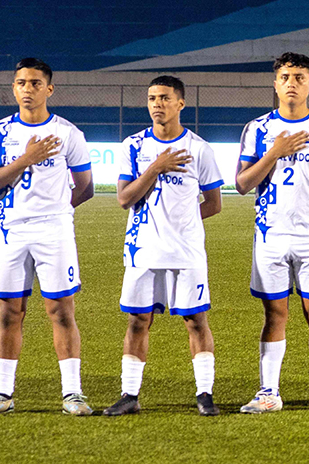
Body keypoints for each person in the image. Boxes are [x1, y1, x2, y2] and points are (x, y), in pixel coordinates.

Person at [0, 58, 96, 416]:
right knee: (9, 311)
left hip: (53, 231)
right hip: (10, 231)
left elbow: (85, 187)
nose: (28, 89)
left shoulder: (68, 133)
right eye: (22, 82)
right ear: (14, 88)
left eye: (36, 83)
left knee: (60, 310)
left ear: (49, 89)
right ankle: (2, 395)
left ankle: (73, 393)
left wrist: (56, 211)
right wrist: (26, 159)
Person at [233, 52, 309, 414]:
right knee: (274, 314)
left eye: (300, 77)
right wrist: (274, 154)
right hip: (270, 235)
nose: (292, 83)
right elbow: (241, 183)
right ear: (275, 84)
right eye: (285, 77)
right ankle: (269, 392)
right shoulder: (257, 129)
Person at [104, 76, 226, 417]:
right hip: (142, 250)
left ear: (180, 104)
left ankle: (205, 393)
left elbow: (214, 203)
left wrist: (182, 224)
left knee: (196, 320)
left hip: (186, 252)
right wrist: (156, 168)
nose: (157, 104)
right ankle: (130, 394)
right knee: (138, 321)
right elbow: (125, 198)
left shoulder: (199, 148)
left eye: (164, 98)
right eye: (152, 98)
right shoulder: (133, 146)